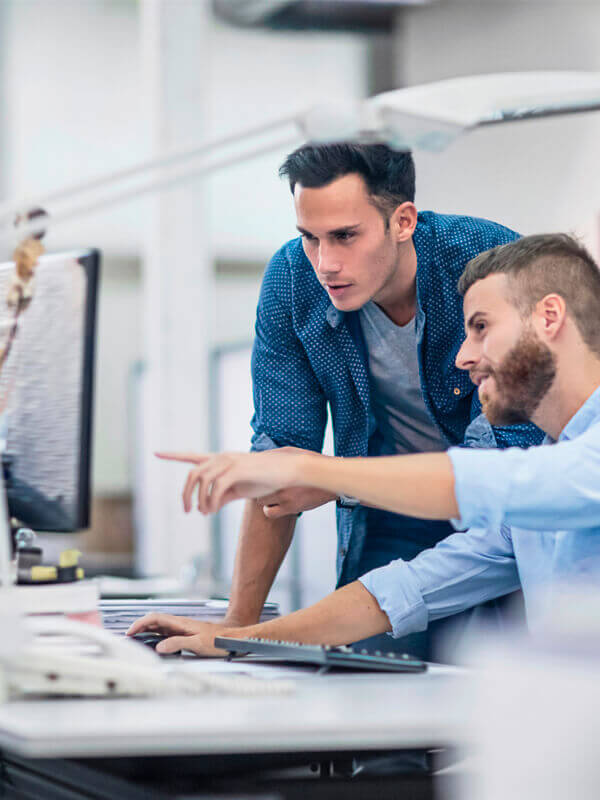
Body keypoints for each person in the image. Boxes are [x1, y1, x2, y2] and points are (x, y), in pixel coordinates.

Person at [129, 233, 600, 655]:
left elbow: (474, 483)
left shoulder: (579, 463)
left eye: (480, 327)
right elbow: (400, 591)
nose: (464, 356)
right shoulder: (529, 510)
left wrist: (307, 470)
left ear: (549, 316)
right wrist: (237, 638)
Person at [215, 143, 543, 659]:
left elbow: (501, 471)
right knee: (367, 672)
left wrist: (328, 479)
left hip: (503, 513)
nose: (326, 263)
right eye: (310, 238)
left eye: (345, 236)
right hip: (385, 509)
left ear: (403, 221)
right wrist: (236, 629)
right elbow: (280, 459)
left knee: (499, 673)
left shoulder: (488, 266)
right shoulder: (293, 280)